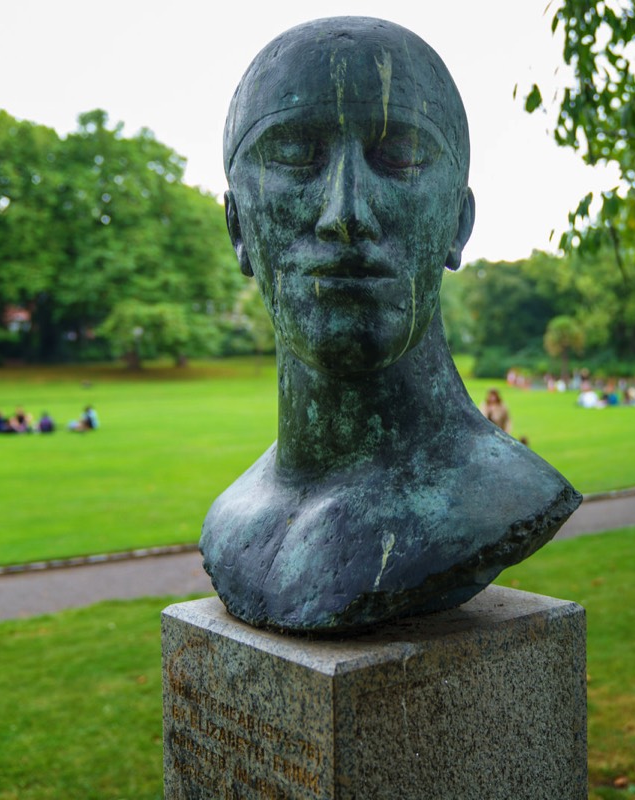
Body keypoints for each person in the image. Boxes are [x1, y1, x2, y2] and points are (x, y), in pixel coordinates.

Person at [201, 18, 581, 634]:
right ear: (239, 228)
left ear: (458, 224)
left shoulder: (496, 499)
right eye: (295, 155)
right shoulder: (232, 521)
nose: (344, 213)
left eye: (398, 156)